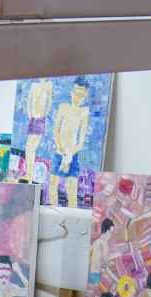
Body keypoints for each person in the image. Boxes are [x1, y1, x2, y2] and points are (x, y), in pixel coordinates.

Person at [48, 79, 93, 207]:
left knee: (72, 189)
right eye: (76, 92)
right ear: (71, 92)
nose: (78, 97)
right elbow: (56, 130)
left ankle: (72, 214)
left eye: (81, 94)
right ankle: (53, 211)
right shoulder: (63, 107)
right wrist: (61, 149)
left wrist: (68, 156)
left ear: (85, 95)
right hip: (59, 152)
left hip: (73, 154)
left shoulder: (84, 112)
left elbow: (81, 140)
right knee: (53, 184)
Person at [19, 78, 53, 185]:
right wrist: (31, 116)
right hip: (33, 119)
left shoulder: (49, 85)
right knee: (29, 148)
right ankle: (29, 174)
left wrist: (43, 116)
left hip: (40, 119)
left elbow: (49, 103)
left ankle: (29, 174)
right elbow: (29, 102)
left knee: (30, 147)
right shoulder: (34, 85)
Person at [88, 216, 116, 286]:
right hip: (96, 274)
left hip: (91, 273)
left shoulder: (96, 242)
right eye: (110, 232)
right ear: (106, 231)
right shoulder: (104, 244)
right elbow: (105, 262)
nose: (111, 235)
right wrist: (111, 263)